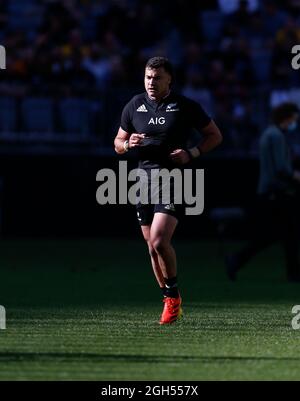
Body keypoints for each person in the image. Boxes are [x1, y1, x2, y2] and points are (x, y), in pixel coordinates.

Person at [114, 56, 222, 324]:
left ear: (169, 79)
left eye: (158, 78)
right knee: (151, 248)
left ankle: (173, 299)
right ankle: (168, 298)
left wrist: (192, 152)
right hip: (142, 180)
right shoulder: (134, 105)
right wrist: (128, 145)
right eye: (148, 77)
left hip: (174, 179)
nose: (152, 82)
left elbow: (215, 136)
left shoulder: (185, 106)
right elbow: (117, 141)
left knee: (160, 240)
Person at [226, 102, 300, 282]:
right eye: (294, 118)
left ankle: (238, 260)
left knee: (279, 235)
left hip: (270, 192)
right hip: (276, 193)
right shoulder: (276, 136)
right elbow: (281, 167)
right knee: (282, 235)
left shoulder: (270, 134)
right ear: (288, 116)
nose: (295, 122)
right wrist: (295, 176)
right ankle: (237, 260)